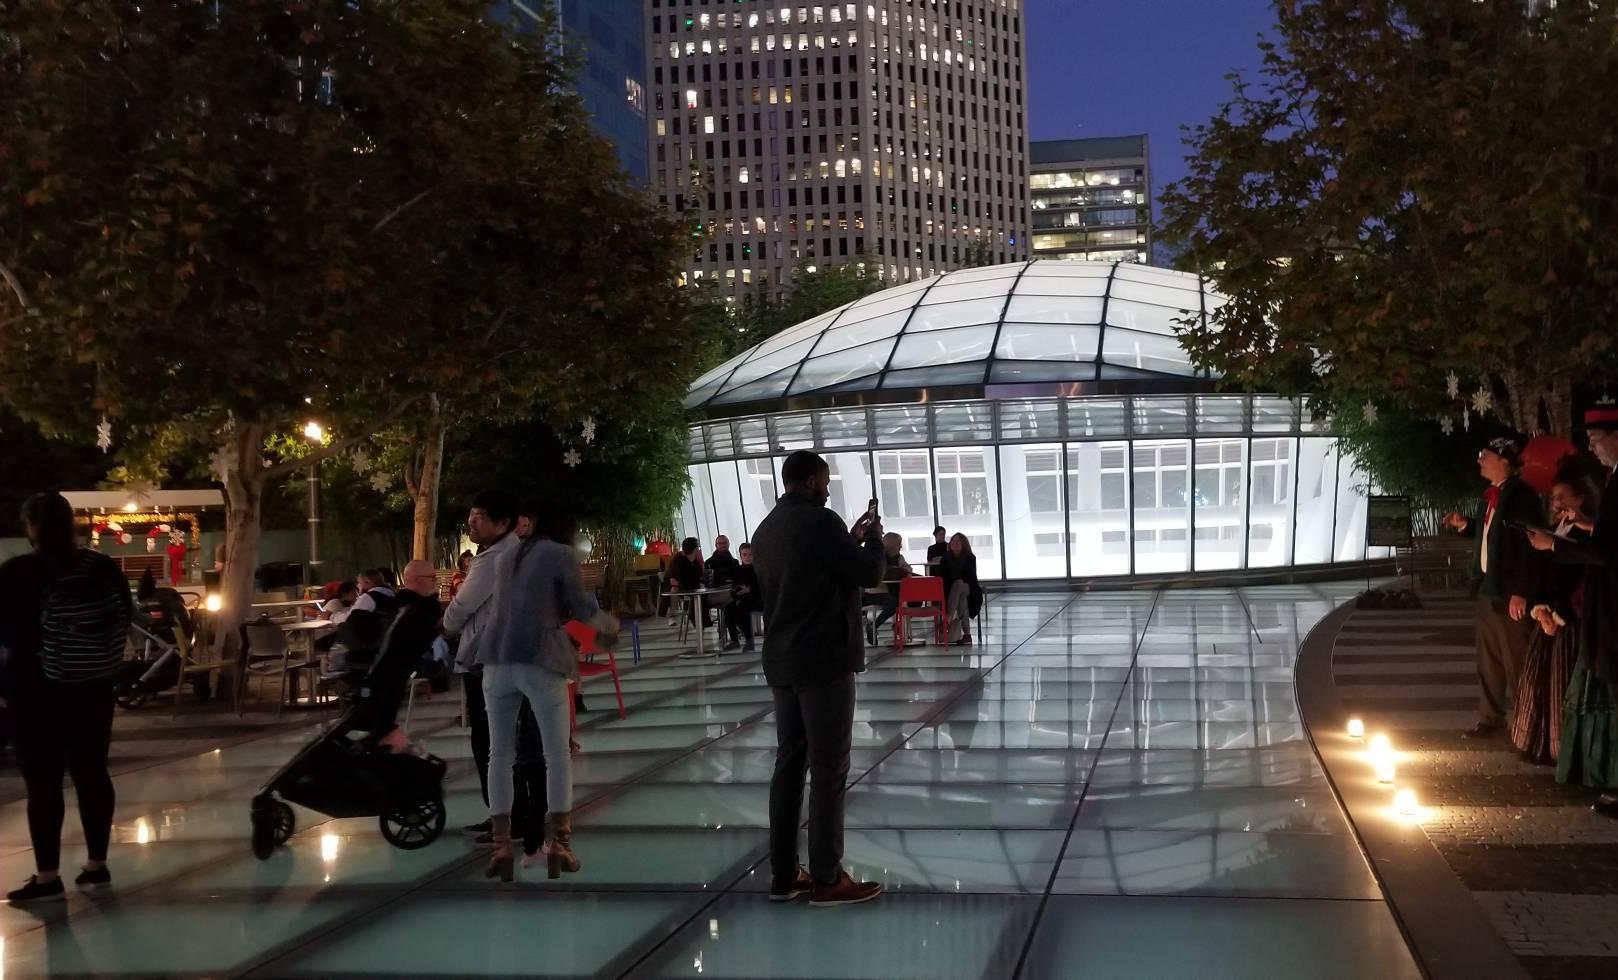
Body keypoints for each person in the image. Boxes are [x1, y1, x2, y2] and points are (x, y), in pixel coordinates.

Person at [753, 450, 886, 907]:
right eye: (825, 482)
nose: (828, 490)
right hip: (823, 660)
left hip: (782, 661)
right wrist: (873, 540)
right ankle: (828, 879)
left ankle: (785, 873)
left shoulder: (767, 529)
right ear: (810, 481)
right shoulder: (820, 521)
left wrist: (846, 540)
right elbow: (869, 574)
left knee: (789, 766)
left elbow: (805, 576)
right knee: (829, 769)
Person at [0, 492, 132, 904]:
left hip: (34, 690)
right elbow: (125, 616)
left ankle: (47, 877)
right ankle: (96, 867)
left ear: (30, 528)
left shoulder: (18, 572)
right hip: (93, 686)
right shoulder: (101, 566)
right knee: (92, 773)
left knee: (43, 784)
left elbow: (6, 634)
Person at [479, 510, 618, 882]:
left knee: (499, 753)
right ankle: (559, 844)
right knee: (556, 753)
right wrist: (608, 635)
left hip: (495, 660)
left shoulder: (507, 554)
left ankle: (502, 846)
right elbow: (584, 606)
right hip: (539, 658)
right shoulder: (561, 554)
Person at [1530, 403, 1618, 816]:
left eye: (1597, 440)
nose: (1593, 448)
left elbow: (1605, 553)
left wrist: (1557, 545)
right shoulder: (1612, 479)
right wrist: (1583, 525)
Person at [1444, 435, 1545, 738]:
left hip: (1509, 592)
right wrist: (1466, 527)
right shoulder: (1491, 495)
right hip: (1488, 588)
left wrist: (1521, 591)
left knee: (1516, 659)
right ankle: (1490, 717)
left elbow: (1528, 546)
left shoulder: (1522, 496)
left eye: (1484, 455)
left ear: (1504, 460)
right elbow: (1491, 537)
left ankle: (1527, 720)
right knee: (1488, 659)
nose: (1479, 460)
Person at [441, 490, 521, 841]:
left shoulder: (491, 560)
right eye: (471, 514)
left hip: (484, 657)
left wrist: (443, 626)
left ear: (503, 523)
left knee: (490, 740)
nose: (472, 521)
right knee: (501, 739)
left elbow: (462, 606)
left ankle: (505, 816)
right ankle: (508, 813)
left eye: (481, 516)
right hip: (506, 653)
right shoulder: (514, 550)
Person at [1509, 462, 1600, 763]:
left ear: (1580, 498)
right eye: (1554, 497)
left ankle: (1565, 751)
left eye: (1562, 496)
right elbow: (1545, 574)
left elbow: (1578, 581)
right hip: (1547, 614)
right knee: (1539, 687)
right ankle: (1540, 743)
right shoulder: (1559, 528)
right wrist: (1539, 607)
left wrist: (1555, 614)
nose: (1556, 503)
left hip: (1568, 621)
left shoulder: (1587, 536)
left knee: (1561, 688)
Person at [354, 560, 443, 752]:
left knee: (382, 732)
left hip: (380, 680)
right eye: (432, 578)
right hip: (384, 681)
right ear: (418, 580)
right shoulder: (418, 610)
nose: (435, 582)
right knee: (383, 736)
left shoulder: (399, 606)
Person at [861, 533, 910, 644]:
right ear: (892, 545)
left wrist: (904, 567)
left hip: (888, 592)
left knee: (903, 600)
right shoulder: (878, 557)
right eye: (899, 544)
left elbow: (908, 569)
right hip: (872, 593)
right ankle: (874, 626)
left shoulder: (898, 558)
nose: (901, 546)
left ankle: (895, 627)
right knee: (895, 603)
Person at [941, 533, 983, 646]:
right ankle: (967, 635)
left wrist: (957, 579)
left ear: (963, 544)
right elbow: (943, 578)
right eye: (953, 541)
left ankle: (948, 617)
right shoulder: (945, 558)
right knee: (961, 599)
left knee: (959, 584)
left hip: (970, 588)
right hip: (952, 591)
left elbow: (970, 577)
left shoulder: (970, 557)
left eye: (958, 541)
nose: (954, 543)